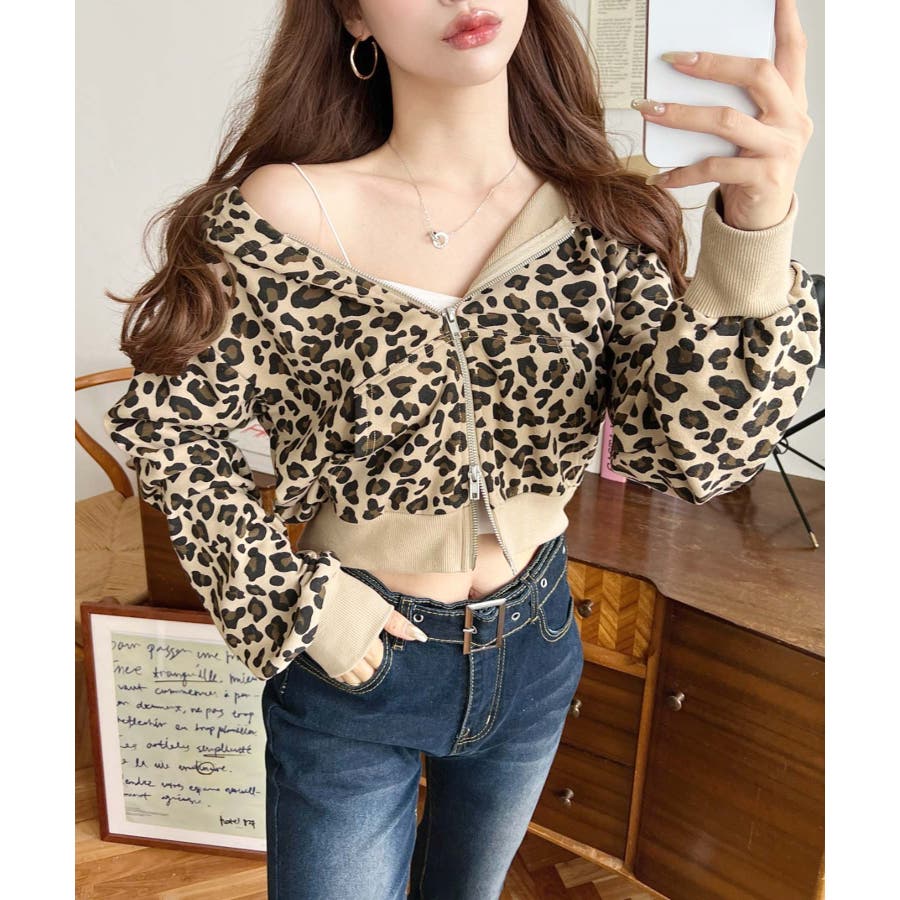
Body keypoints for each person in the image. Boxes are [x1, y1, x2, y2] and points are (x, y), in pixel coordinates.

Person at [102, 2, 821, 897]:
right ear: (354, 16)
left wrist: (754, 228)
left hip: (536, 639)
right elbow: (171, 428)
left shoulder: (604, 213)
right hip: (357, 657)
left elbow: (694, 457)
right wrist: (291, 604)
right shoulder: (282, 213)